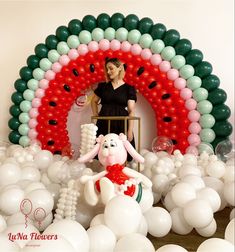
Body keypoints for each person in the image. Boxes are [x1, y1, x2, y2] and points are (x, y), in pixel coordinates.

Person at [91, 57, 137, 161]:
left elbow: (131, 111)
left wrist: (129, 130)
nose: (108, 71)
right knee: (103, 152)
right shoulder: (103, 86)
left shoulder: (129, 88)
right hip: (104, 122)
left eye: (111, 68)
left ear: (120, 68)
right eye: (107, 69)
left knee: (121, 152)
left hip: (121, 123)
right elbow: (93, 101)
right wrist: (96, 114)